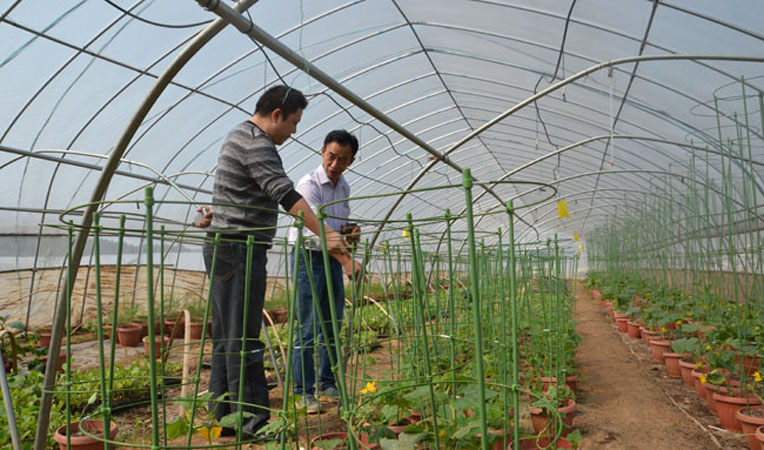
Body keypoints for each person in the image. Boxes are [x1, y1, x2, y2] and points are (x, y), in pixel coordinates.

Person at [197, 85, 358, 441]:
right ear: (276, 115)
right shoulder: (256, 142)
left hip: (231, 247)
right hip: (239, 248)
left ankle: (226, 419)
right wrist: (326, 234)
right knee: (243, 337)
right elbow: (283, 193)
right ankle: (254, 423)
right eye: (294, 122)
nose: (294, 130)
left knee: (228, 336)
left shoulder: (243, 136)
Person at [287, 130, 361, 413]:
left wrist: (350, 232)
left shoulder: (344, 187)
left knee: (332, 323)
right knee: (308, 326)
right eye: (331, 156)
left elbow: (336, 229)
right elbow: (319, 232)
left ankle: (327, 382)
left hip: (331, 258)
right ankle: (303, 391)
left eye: (342, 159)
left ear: (351, 161)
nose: (334, 164)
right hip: (308, 257)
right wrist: (347, 261)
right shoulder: (308, 185)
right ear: (322, 152)